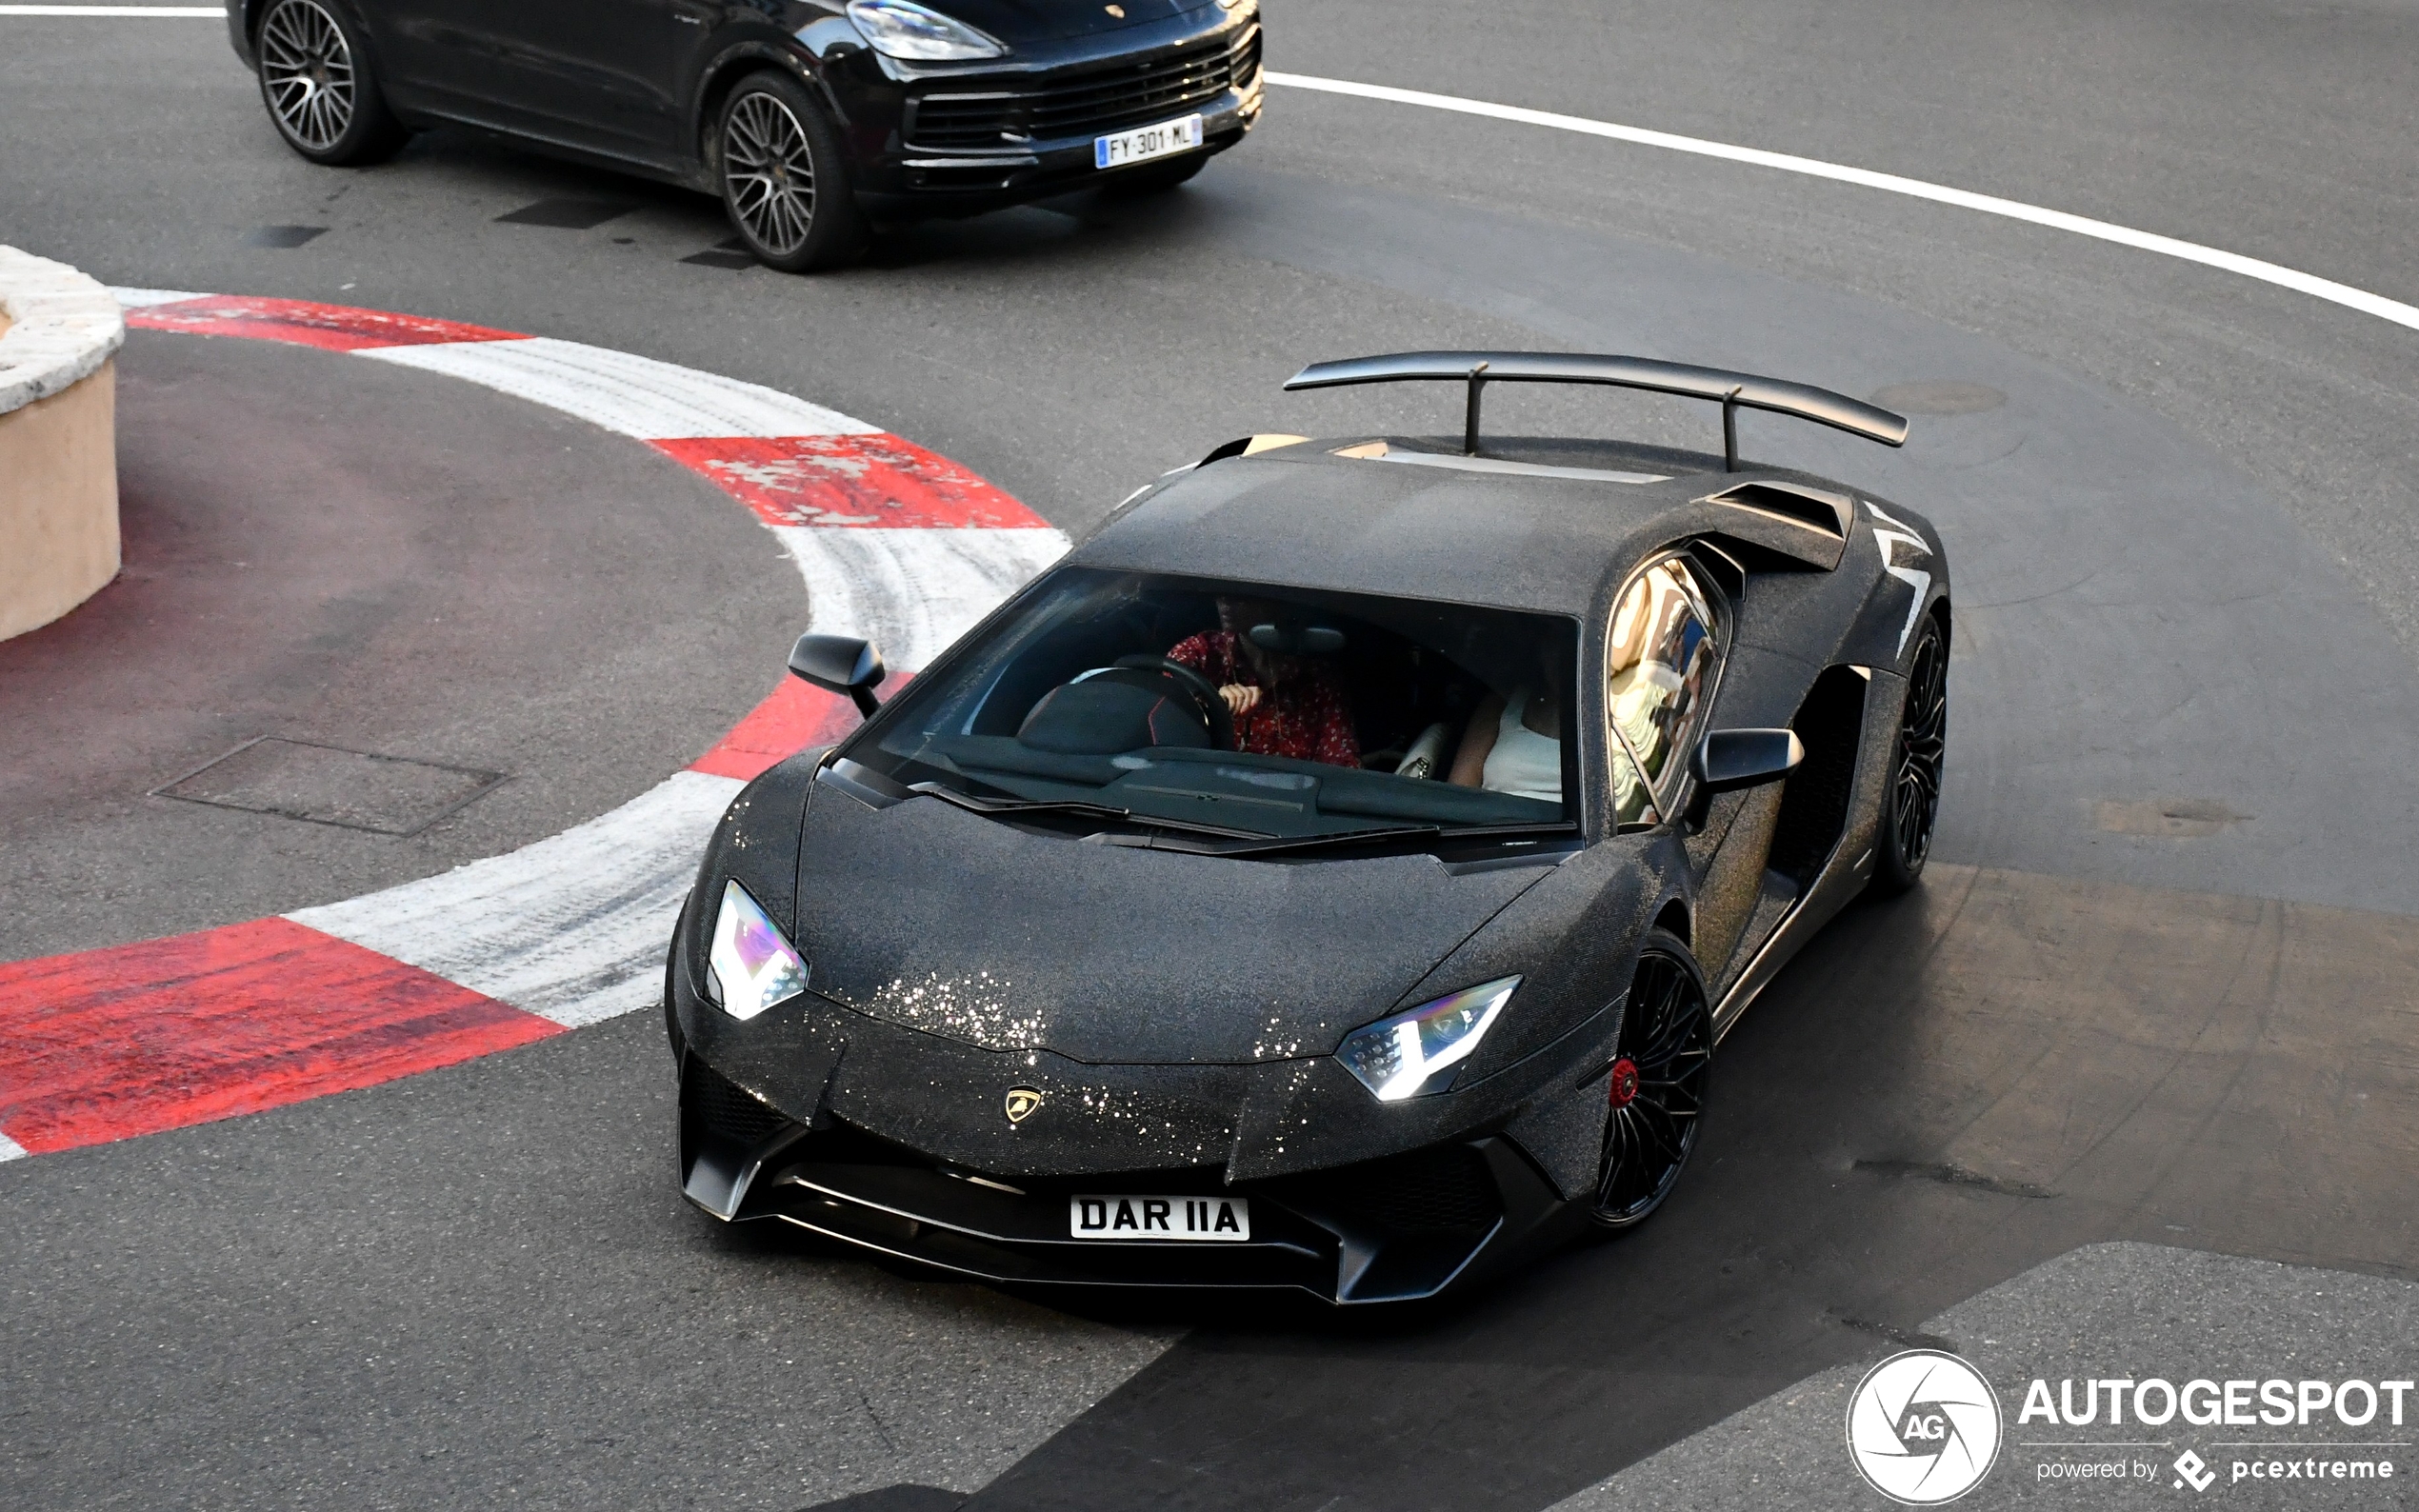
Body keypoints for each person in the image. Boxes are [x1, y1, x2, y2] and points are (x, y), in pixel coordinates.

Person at [1167, 598, 1360, 766]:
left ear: (1277, 601)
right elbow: (1162, 706)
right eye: (1223, 590)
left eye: (1243, 593)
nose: (1226, 600)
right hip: (1207, 793)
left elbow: (1339, 762)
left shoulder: (1319, 676)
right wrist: (1209, 705)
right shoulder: (1204, 652)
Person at [1447, 641, 1567, 805]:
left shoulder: (1611, 717)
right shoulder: (1501, 704)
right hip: (1492, 826)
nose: (1559, 658)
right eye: (1552, 646)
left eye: (1567, 647)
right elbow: (1457, 795)